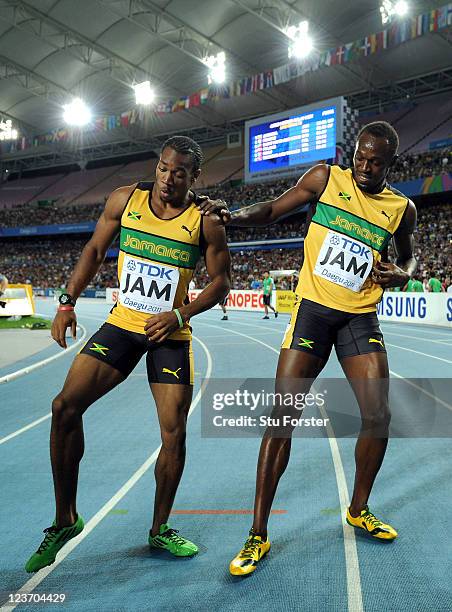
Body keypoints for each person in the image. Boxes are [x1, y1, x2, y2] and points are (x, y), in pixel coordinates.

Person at [198, 121, 417, 575]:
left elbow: (408, 254)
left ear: (389, 163)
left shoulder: (402, 208)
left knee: (379, 415)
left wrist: (405, 272)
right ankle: (257, 534)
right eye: (359, 155)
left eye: (374, 161)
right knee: (282, 418)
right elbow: (273, 210)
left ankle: (358, 508)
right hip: (313, 312)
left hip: (359, 316)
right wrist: (233, 217)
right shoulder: (325, 178)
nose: (363, 165)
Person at [25, 136, 231, 573]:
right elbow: (95, 251)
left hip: (169, 335)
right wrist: (66, 302)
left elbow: (220, 283)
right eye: (162, 167)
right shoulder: (125, 199)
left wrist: (180, 314)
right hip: (123, 325)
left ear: (194, 176)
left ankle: (159, 529)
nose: (167, 178)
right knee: (64, 407)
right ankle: (65, 518)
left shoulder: (205, 220)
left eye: (179, 172)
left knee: (173, 434)